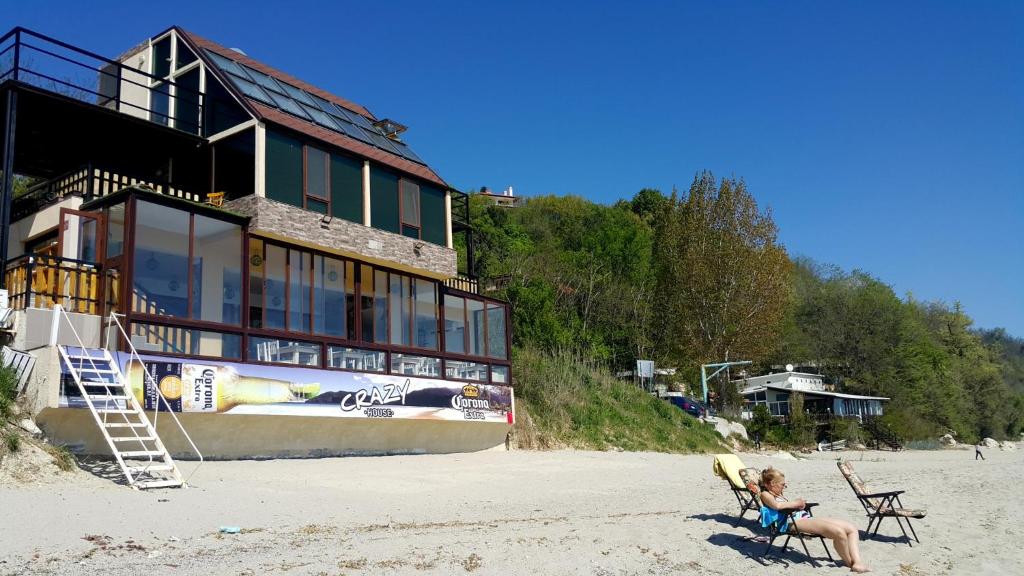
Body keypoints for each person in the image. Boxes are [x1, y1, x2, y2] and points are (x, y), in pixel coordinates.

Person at [759, 468, 870, 573]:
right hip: (790, 522)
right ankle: (850, 563)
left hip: (801, 517)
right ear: (773, 484)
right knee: (838, 532)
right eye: (783, 485)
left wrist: (800, 504)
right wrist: (796, 503)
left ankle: (857, 561)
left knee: (851, 528)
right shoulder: (765, 494)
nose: (784, 487)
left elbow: (784, 504)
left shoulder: (777, 493)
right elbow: (777, 506)